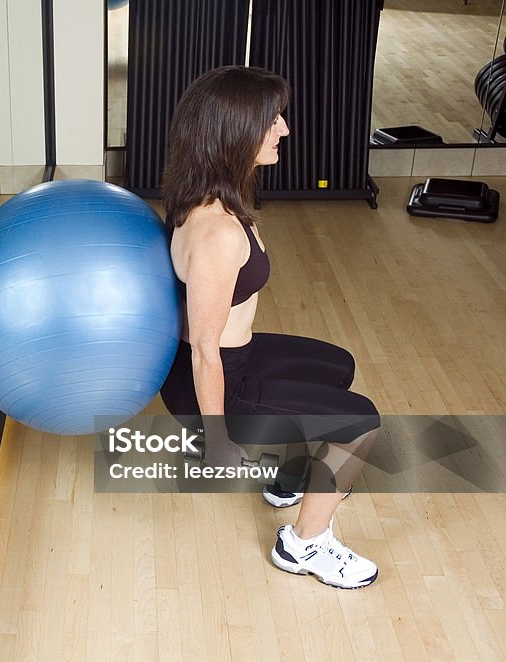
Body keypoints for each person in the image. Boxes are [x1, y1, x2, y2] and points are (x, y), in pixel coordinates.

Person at [158, 66, 381, 589]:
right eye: (270, 121)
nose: (283, 129)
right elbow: (205, 352)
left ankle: (289, 477)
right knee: (361, 422)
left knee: (337, 367)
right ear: (233, 133)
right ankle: (305, 544)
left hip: (237, 356)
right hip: (217, 382)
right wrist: (216, 441)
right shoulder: (215, 232)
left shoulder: (215, 193)